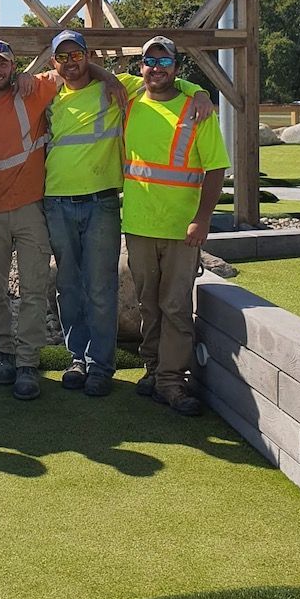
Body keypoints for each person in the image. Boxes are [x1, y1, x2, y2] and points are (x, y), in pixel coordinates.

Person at [44, 29, 212, 398]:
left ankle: (102, 366)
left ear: (88, 56)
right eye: (63, 57)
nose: (70, 63)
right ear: (53, 61)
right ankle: (78, 359)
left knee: (101, 288)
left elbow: (166, 80)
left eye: (77, 56)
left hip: (102, 201)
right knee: (68, 286)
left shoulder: (120, 87)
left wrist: (198, 91)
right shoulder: (46, 90)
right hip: (56, 202)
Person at [0, 38, 127, 400]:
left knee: (34, 289)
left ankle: (28, 362)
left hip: (33, 207)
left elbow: (78, 69)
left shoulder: (35, 89)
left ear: (14, 66)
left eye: (3, 63)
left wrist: (110, 76)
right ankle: (5, 355)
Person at [122, 36, 229, 416]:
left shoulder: (196, 110)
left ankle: (172, 381)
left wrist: (202, 219)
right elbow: (91, 73)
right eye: (150, 61)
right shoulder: (130, 98)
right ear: (141, 67)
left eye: (165, 63)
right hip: (138, 224)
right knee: (148, 305)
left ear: (177, 69)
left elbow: (216, 168)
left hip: (181, 229)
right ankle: (153, 370)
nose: (157, 68)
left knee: (176, 306)